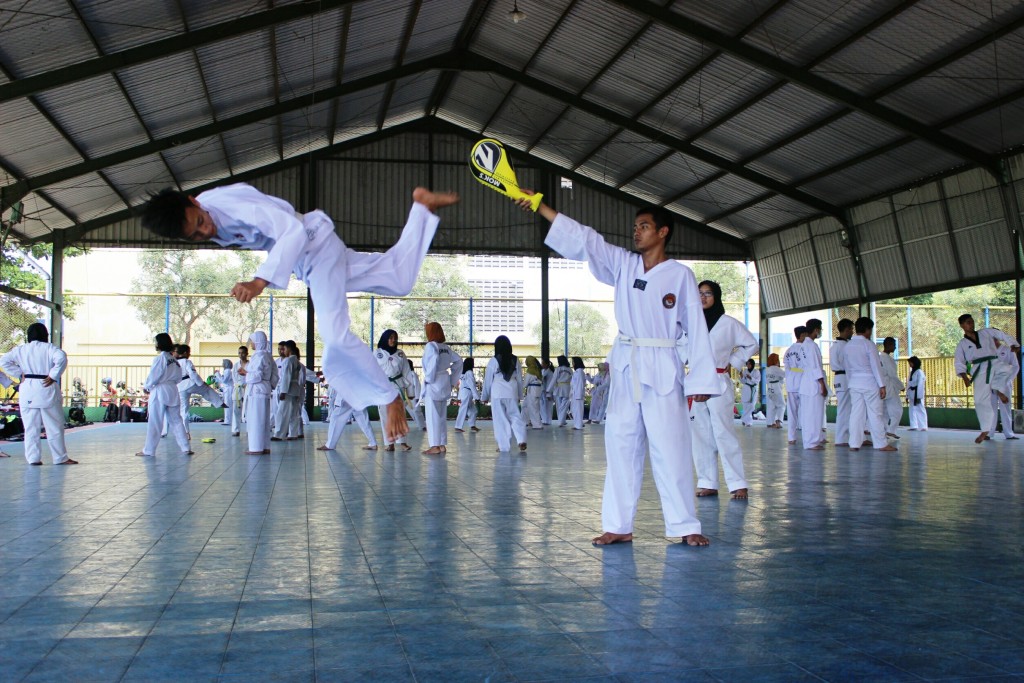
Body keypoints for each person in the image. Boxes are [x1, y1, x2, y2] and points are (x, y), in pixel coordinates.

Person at [141, 183, 458, 446]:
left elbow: (290, 229)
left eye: (200, 221)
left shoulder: (230, 204)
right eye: (195, 234)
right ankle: (422, 208)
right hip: (310, 258)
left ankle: (389, 398)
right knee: (398, 279)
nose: (205, 230)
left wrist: (258, 281)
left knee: (336, 338)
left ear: (194, 200)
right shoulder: (208, 216)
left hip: (314, 248)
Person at [515, 191, 718, 547]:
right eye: (635, 227)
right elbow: (586, 240)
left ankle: (685, 525)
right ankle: (619, 524)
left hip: (662, 366)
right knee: (621, 445)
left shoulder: (680, 275)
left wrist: (700, 377)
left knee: (671, 447)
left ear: (663, 232)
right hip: (626, 364)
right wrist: (539, 206)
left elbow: (696, 329)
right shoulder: (624, 264)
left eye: (644, 227)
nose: (636, 232)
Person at [691, 280, 756, 500]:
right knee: (700, 434)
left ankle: (738, 483)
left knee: (723, 431)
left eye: (708, 293)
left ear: (716, 296)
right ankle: (707, 481)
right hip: (695, 381)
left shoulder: (728, 323)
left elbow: (751, 344)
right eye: (699, 293)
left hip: (718, 379)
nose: (703, 297)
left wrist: (734, 361)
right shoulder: (691, 321)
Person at [0, 323, 77, 465]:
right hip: (46, 386)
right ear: (45, 335)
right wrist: (53, 375)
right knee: (54, 426)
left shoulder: (21, 349)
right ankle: (60, 458)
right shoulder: (50, 348)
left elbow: (3, 361)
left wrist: (19, 374)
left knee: (30, 427)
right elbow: (61, 358)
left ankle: (33, 459)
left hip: (27, 387)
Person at [953, 313, 1019, 444]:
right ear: (962, 325)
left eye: (972, 321)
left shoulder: (986, 332)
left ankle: (997, 388)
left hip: (994, 363)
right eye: (968, 322)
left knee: (1008, 369)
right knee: (979, 400)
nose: (971, 324)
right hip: (979, 369)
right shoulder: (962, 344)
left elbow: (1002, 335)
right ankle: (985, 430)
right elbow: (959, 360)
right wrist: (964, 376)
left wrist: (1013, 344)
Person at [136, 333, 192, 458]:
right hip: (172, 390)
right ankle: (185, 447)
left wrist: (147, 386)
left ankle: (149, 450)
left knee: (155, 421)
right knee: (177, 421)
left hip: (160, 390)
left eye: (156, 342)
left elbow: (154, 375)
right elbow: (178, 378)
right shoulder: (174, 361)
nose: (155, 344)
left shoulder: (160, 358)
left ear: (160, 344)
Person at [846, 318, 897, 452]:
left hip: (854, 383)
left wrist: (851, 382)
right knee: (875, 414)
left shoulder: (848, 346)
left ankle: (854, 443)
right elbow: (876, 366)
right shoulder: (868, 345)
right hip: (869, 383)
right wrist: (882, 385)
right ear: (868, 330)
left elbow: (848, 368)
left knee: (856, 414)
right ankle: (881, 443)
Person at [421, 322, 461, 455]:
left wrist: (429, 379)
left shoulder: (430, 346)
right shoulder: (446, 348)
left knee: (432, 416)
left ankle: (435, 446)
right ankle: (442, 444)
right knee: (442, 416)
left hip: (434, 382)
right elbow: (459, 361)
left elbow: (433, 360)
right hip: (444, 381)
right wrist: (452, 380)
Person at [482, 335, 527, 452]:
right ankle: (521, 439)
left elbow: (488, 380)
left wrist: (485, 396)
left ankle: (504, 446)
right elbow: (519, 379)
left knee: (500, 419)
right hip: (512, 391)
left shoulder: (493, 360)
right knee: (515, 416)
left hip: (497, 392)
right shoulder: (515, 360)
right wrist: (520, 395)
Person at [373, 330, 413, 451]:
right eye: (390, 338)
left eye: (395, 338)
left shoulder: (400, 353)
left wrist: (410, 392)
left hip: (398, 385)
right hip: (383, 386)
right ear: (385, 339)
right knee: (385, 414)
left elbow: (407, 372)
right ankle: (389, 443)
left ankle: (402, 442)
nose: (393, 340)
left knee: (399, 414)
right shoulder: (377, 353)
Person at [241, 330, 277, 454]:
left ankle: (256, 448)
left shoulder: (260, 356)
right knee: (264, 420)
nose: (251, 344)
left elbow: (257, 375)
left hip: (257, 390)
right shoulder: (267, 355)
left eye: (252, 341)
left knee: (256, 419)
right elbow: (275, 375)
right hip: (264, 389)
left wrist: (245, 373)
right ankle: (265, 446)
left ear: (257, 342)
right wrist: (270, 385)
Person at [317, 385, 377, 452]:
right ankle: (373, 443)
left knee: (336, 417)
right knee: (362, 418)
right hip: (358, 393)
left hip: (348, 393)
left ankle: (330, 445)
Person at [799, 319, 827, 450]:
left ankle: (809, 441)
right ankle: (812, 442)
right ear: (816, 330)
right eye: (820, 329)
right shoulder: (812, 346)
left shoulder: (803, 345)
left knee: (807, 415)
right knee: (815, 414)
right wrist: (822, 384)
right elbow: (816, 367)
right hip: (814, 384)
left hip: (805, 382)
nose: (820, 331)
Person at [990, 339, 1019, 439]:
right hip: (991, 383)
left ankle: (1009, 433)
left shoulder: (1007, 350)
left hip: (1004, 382)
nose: (993, 340)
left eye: (994, 338)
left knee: (1005, 408)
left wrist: (1009, 379)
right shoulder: (987, 351)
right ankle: (989, 433)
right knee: (991, 408)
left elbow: (1016, 366)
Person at [273, 340, 302, 441]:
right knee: (294, 413)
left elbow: (286, 376)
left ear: (289, 349)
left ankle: (278, 434)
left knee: (282, 412)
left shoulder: (288, 360)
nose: (283, 351)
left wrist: (283, 391)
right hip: (295, 389)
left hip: (288, 390)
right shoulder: (297, 361)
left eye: (284, 349)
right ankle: (293, 434)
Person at [831, 319, 853, 446]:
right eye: (851, 329)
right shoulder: (843, 346)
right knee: (844, 408)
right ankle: (841, 439)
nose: (852, 332)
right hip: (844, 377)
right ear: (846, 330)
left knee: (846, 408)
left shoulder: (836, 345)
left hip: (841, 378)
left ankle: (846, 437)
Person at [783, 326, 806, 444]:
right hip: (802, 382)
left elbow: (786, 366)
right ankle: (809, 437)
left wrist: (792, 373)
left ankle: (791, 437)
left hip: (791, 382)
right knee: (807, 411)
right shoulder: (804, 349)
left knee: (792, 412)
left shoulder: (788, 350)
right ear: (802, 335)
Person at [879, 337, 905, 438]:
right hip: (890, 387)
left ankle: (884, 431)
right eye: (894, 345)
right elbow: (892, 375)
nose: (894, 347)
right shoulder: (887, 358)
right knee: (897, 410)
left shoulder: (880, 357)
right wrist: (901, 387)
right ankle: (891, 430)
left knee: (884, 412)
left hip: (882, 386)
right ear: (889, 345)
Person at [455, 358, 480, 432]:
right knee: (463, 409)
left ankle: (472, 426)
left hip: (464, 392)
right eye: (473, 362)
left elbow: (462, 385)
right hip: (467, 393)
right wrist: (476, 396)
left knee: (473, 410)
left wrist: (460, 396)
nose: (474, 364)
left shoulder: (463, 373)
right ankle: (458, 426)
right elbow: (471, 385)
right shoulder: (469, 372)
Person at [522, 356, 545, 429]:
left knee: (533, 408)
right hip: (536, 390)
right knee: (525, 406)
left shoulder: (530, 371)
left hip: (532, 391)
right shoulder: (537, 369)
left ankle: (537, 425)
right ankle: (524, 421)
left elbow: (525, 384)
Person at [906, 356, 928, 431]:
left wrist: (919, 396)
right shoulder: (911, 372)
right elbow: (908, 384)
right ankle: (913, 425)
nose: (910, 364)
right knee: (912, 409)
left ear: (914, 363)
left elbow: (920, 384)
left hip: (918, 393)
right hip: (911, 392)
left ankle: (923, 426)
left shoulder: (919, 372)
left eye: (910, 362)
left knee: (920, 408)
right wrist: (907, 395)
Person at [230, 345, 248, 436]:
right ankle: (236, 429)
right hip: (238, 388)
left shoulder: (250, 364)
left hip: (248, 388)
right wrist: (238, 385)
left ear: (247, 354)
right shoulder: (236, 365)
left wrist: (246, 384)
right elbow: (234, 377)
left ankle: (249, 429)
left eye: (243, 353)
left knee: (248, 410)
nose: (241, 355)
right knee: (236, 410)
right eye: (239, 353)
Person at [764, 353, 785, 428]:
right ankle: (779, 421)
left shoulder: (767, 369)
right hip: (776, 388)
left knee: (771, 406)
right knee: (781, 405)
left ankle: (770, 423)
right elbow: (785, 374)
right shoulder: (776, 369)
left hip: (769, 388)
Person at [551, 355, 573, 426]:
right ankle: (562, 420)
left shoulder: (558, 369)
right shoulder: (570, 369)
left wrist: (549, 389)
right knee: (564, 405)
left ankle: (560, 421)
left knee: (559, 405)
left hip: (559, 387)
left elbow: (553, 380)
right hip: (567, 387)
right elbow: (573, 379)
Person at [739, 359, 760, 427]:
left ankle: (744, 419)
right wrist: (742, 376)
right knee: (745, 405)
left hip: (753, 389)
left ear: (752, 364)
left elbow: (757, 381)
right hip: (746, 388)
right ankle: (746, 422)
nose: (748, 365)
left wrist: (751, 378)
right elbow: (743, 382)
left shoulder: (756, 372)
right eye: (747, 364)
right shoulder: (745, 371)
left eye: (749, 364)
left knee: (751, 406)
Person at [569, 356, 587, 429]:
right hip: (575, 394)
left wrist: (578, 395)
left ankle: (578, 425)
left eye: (573, 362)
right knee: (575, 410)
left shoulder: (579, 372)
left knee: (578, 410)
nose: (572, 364)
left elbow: (580, 384)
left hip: (578, 394)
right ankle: (577, 424)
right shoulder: (577, 372)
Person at [217, 359, 234, 427]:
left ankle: (227, 420)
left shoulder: (227, 371)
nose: (222, 364)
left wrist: (217, 374)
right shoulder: (227, 371)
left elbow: (224, 381)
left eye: (223, 363)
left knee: (228, 404)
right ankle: (228, 420)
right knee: (227, 404)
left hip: (229, 389)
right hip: (227, 389)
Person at [540, 359, 554, 425]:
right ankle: (544, 420)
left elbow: (550, 383)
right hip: (543, 391)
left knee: (548, 407)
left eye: (542, 363)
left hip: (548, 391)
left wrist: (549, 393)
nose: (541, 365)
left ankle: (547, 421)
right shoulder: (543, 371)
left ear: (546, 365)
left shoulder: (550, 372)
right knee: (543, 407)